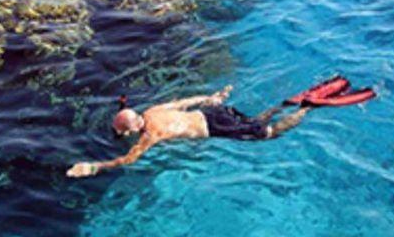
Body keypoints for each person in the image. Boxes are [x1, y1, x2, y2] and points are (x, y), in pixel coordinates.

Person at [66, 76, 375, 177]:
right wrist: (214, 97)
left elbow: (128, 160)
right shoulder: (155, 109)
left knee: (268, 134)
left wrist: (94, 167)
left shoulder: (151, 134)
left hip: (214, 129)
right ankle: (286, 103)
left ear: (132, 130)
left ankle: (307, 107)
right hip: (214, 113)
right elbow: (186, 100)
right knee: (255, 120)